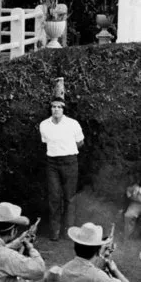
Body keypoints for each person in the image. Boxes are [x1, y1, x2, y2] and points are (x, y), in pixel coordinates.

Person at [39, 96, 85, 241]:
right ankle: (55, 232)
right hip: (52, 163)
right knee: (54, 197)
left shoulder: (72, 124)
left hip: (70, 162)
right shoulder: (44, 125)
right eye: (53, 107)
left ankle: (68, 232)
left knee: (69, 197)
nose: (56, 109)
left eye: (59, 107)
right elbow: (46, 142)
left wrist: (67, 151)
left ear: (63, 109)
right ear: (50, 109)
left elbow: (80, 142)